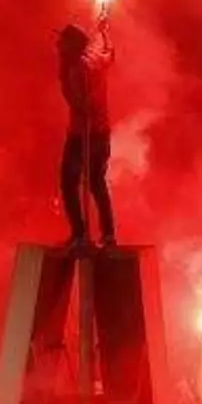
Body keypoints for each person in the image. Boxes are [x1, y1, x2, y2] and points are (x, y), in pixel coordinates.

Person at [56, 23, 117, 248]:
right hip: (102, 132)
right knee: (96, 182)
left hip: (83, 134)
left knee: (69, 181)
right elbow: (110, 54)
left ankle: (80, 234)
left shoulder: (75, 69)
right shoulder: (95, 62)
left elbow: (78, 103)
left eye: (61, 42)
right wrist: (104, 32)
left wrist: (66, 83)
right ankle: (108, 233)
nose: (57, 46)